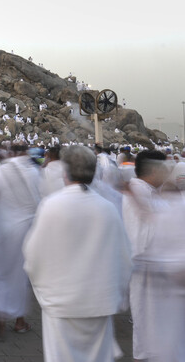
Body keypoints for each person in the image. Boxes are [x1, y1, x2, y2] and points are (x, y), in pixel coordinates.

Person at [23, 146, 131, 361]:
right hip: (99, 302)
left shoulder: (51, 205)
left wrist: (45, 291)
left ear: (65, 172)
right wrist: (116, 295)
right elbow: (124, 258)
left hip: (60, 302)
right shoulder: (107, 208)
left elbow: (33, 255)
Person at [0, 144, 40, 340]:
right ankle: (20, 322)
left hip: (3, 231)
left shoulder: (3, 170)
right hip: (25, 232)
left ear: (13, 152)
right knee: (21, 278)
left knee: (1, 276)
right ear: (26, 153)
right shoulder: (33, 172)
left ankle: (0, 323)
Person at [122, 149, 171, 361]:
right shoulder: (140, 193)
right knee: (146, 323)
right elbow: (144, 236)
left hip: (150, 269)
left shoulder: (145, 191)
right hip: (147, 269)